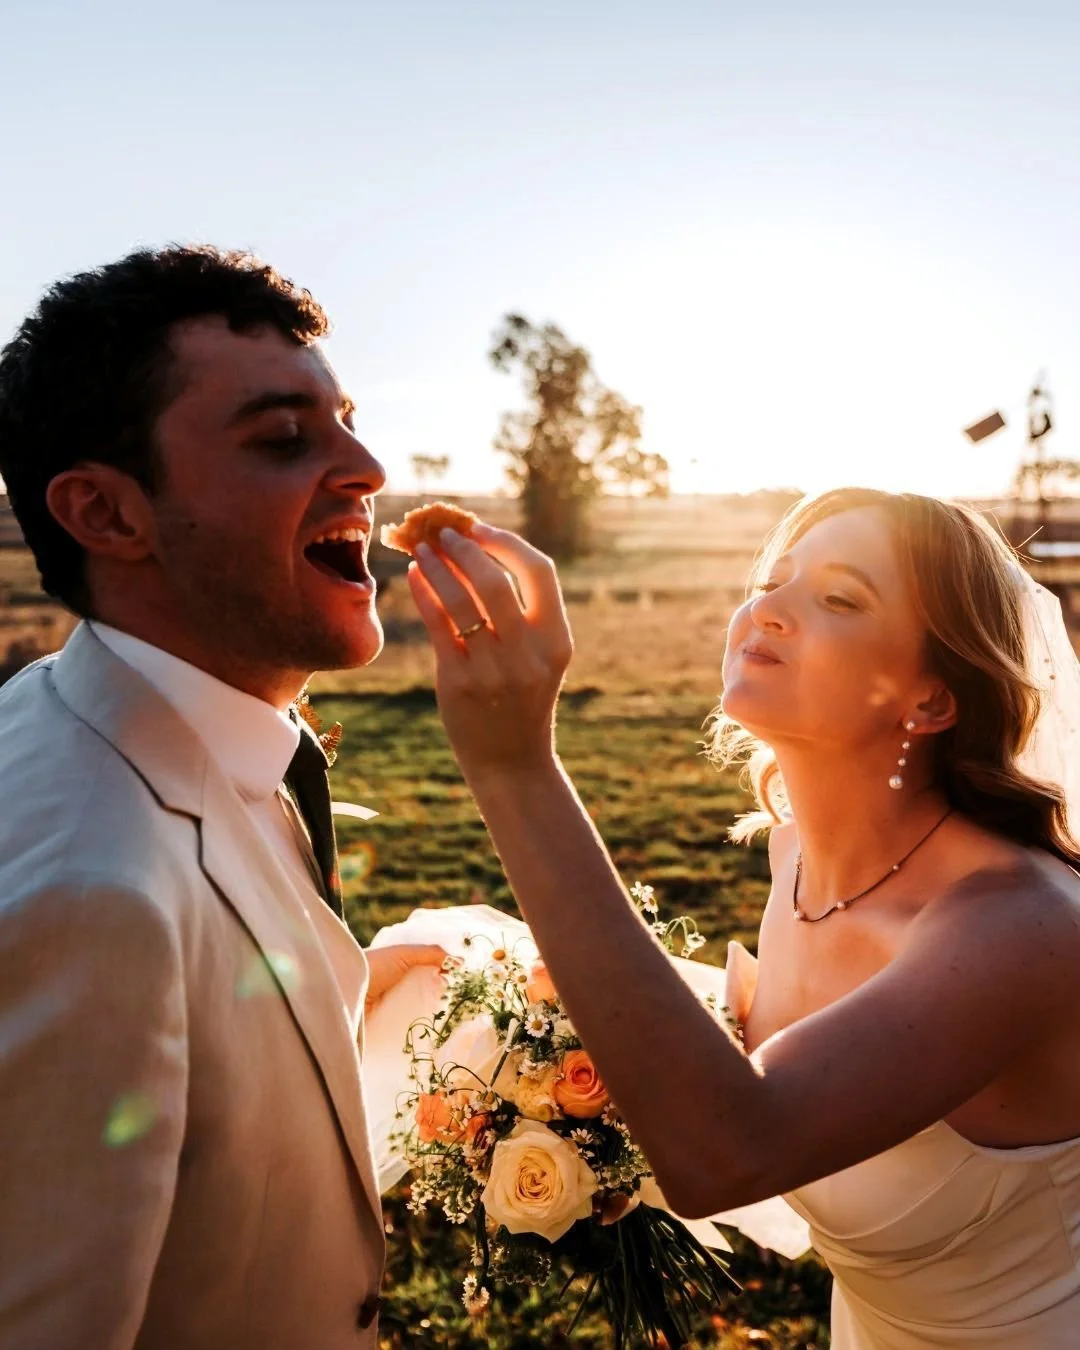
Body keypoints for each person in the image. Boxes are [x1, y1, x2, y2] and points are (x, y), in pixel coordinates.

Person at [408, 487, 1080, 1348]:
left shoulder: (1022, 927)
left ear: (932, 700)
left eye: (838, 598)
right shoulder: (795, 858)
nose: (769, 606)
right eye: (774, 579)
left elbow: (727, 1145)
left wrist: (514, 767)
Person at [0, 246, 444, 1349]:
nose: (369, 467)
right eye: (285, 439)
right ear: (106, 513)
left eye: (346, 419)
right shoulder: (94, 907)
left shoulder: (79, 716)